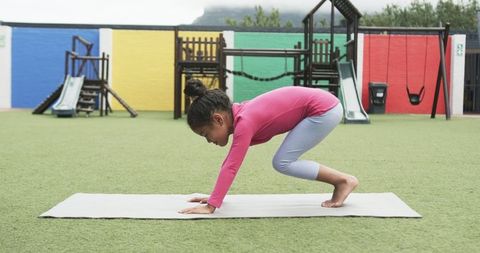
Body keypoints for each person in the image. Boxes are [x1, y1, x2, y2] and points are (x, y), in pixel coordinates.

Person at [179, 80, 358, 214]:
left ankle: (343, 181)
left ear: (219, 119)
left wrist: (212, 205)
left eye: (205, 134)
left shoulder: (244, 121)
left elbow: (231, 166)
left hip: (324, 110)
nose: (208, 140)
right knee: (282, 161)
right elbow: (230, 160)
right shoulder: (240, 115)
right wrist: (214, 197)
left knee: (282, 162)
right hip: (323, 106)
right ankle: (342, 180)